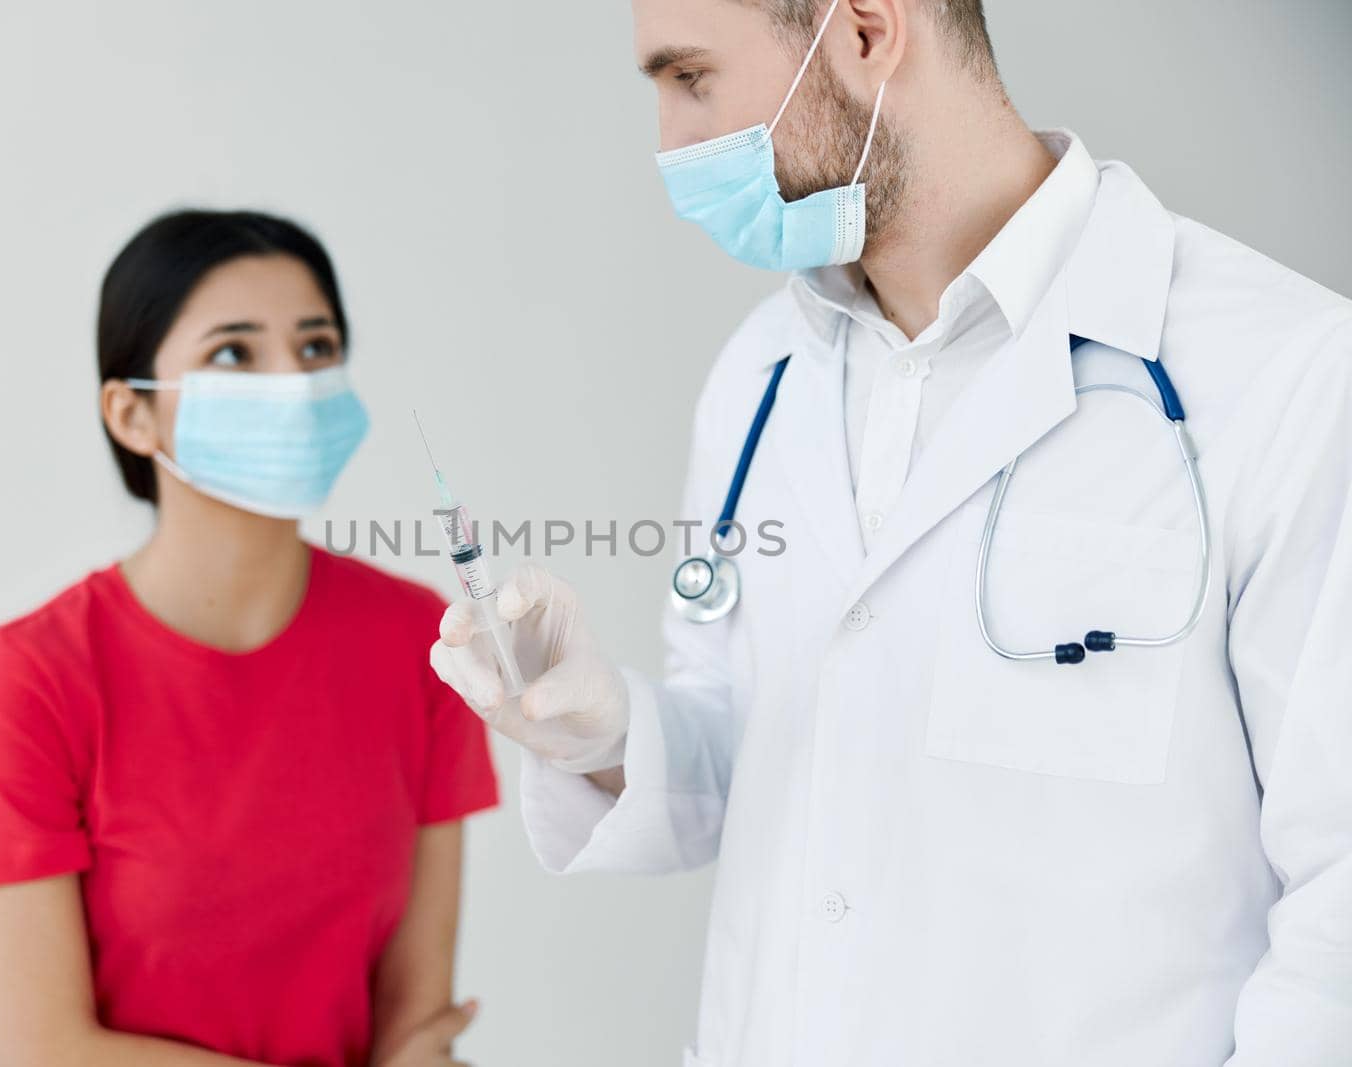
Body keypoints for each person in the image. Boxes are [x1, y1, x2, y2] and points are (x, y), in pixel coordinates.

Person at [430, 1, 1352, 1064]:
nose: (669, 144)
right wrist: (604, 735)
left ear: (866, 33)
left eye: (689, 79)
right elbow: (765, 765)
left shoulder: (1287, 375)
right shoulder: (762, 374)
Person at [0, 210, 497, 1067]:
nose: (295, 380)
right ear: (132, 414)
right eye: (235, 353)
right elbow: (44, 1049)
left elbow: (413, 1021)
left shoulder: (422, 640)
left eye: (316, 347)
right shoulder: (32, 676)